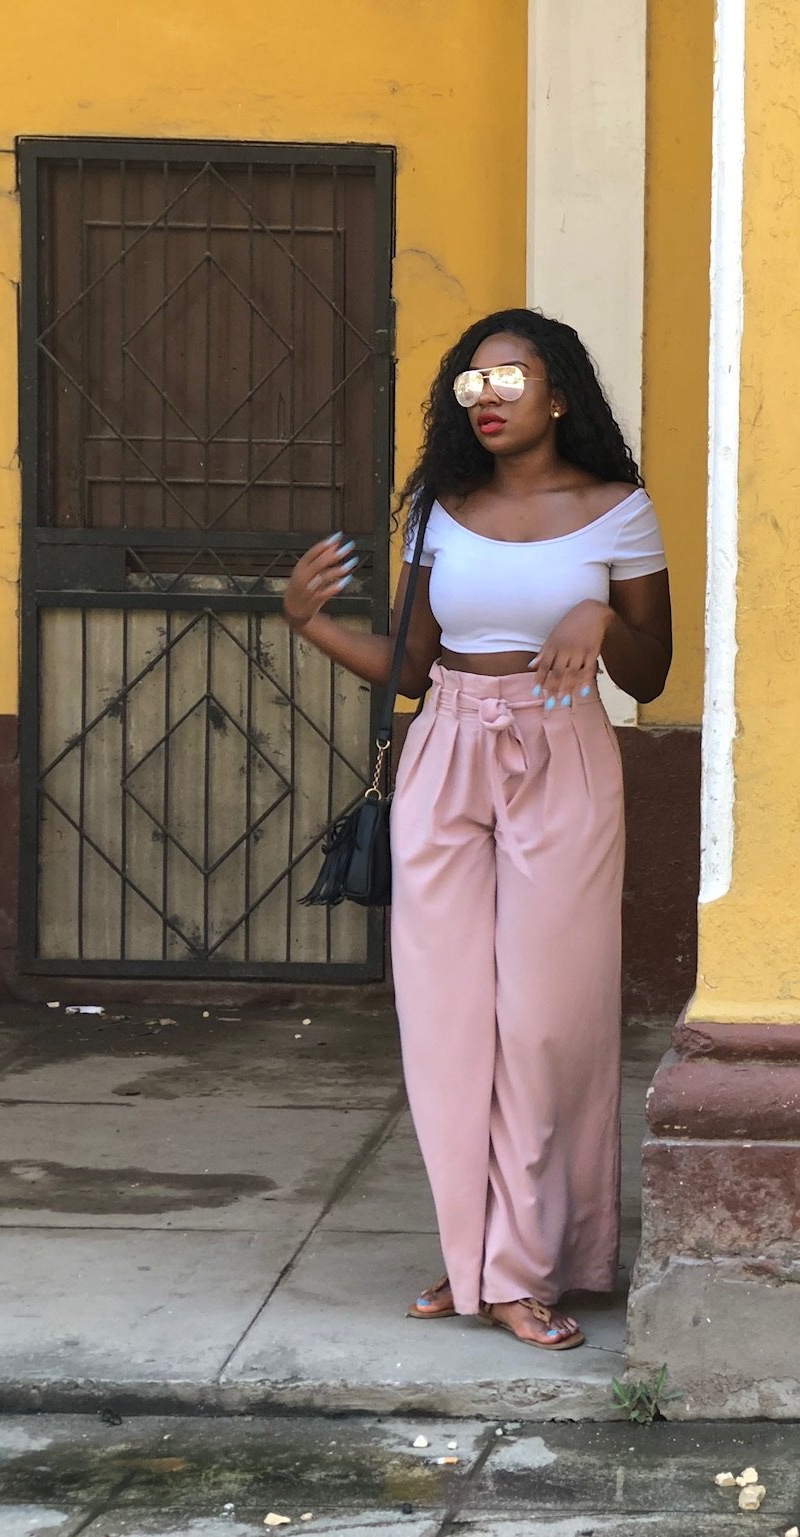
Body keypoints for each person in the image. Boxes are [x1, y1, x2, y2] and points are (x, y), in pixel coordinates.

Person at [281, 309, 672, 1350]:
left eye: (508, 379)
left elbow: (651, 672)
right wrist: (310, 623)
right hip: (445, 748)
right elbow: (411, 667)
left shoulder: (617, 511)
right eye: (470, 382)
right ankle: (478, 1261)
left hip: (561, 749)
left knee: (546, 1022)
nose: (485, 398)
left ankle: (528, 1263)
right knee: (448, 1023)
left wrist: (599, 617)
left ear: (559, 396)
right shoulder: (438, 511)